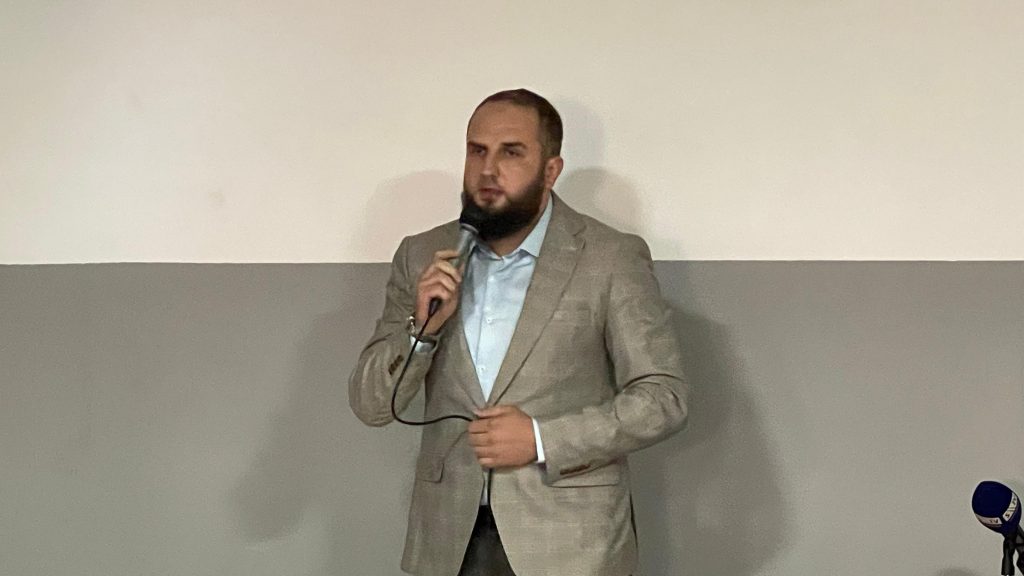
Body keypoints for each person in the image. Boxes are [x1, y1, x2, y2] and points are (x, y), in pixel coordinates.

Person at [349, 88, 688, 576]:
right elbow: (372, 405)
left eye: (511, 153)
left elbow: (663, 397)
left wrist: (541, 438)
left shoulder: (610, 257)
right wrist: (421, 332)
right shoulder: (422, 254)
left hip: (571, 546)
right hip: (448, 540)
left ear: (550, 170)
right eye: (477, 150)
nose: (488, 170)